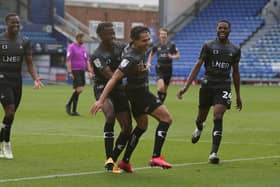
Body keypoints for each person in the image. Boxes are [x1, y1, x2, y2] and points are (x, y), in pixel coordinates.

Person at [90, 26, 173, 173]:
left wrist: (144, 66)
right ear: (135, 41)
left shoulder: (132, 48)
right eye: (144, 40)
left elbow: (137, 49)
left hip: (130, 92)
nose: (148, 42)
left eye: (148, 39)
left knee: (140, 126)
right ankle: (156, 156)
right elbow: (114, 77)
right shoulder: (130, 57)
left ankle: (122, 161)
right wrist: (101, 100)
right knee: (166, 118)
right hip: (139, 94)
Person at [177, 19, 242, 164]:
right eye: (220, 28)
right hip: (207, 85)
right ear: (216, 29)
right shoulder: (208, 46)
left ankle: (213, 153)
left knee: (218, 116)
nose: (222, 31)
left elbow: (236, 73)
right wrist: (186, 87)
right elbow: (198, 65)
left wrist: (238, 95)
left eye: (225, 28)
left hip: (224, 86)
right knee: (200, 118)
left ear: (229, 30)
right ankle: (199, 128)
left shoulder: (235, 50)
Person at [90, 22, 132, 173]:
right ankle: (108, 158)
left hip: (120, 89)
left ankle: (113, 159)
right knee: (110, 115)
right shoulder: (97, 55)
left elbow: (133, 58)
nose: (112, 35)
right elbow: (109, 76)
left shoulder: (122, 47)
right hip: (103, 88)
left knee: (127, 129)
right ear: (100, 35)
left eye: (113, 32)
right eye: (109, 33)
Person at [0, 13, 43, 159]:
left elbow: (29, 62)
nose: (16, 26)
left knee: (10, 116)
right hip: (2, 80)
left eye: (18, 23)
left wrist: (35, 78)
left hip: (17, 81)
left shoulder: (24, 41)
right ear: (7, 23)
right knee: (10, 111)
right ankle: (7, 144)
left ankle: (0, 141)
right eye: (13, 23)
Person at [146, 28, 180, 103]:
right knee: (161, 87)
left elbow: (178, 55)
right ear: (159, 35)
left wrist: (172, 56)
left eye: (164, 34)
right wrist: (149, 63)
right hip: (159, 68)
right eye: (161, 34)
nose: (163, 35)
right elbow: (151, 54)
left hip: (168, 68)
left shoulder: (171, 45)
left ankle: (160, 103)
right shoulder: (156, 45)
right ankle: (158, 101)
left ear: (167, 35)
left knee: (164, 90)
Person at [65, 32, 92, 116]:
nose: (84, 40)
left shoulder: (83, 48)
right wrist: (70, 72)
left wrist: (90, 71)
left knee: (78, 91)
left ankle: (74, 110)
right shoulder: (71, 47)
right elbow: (68, 60)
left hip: (82, 71)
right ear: (78, 38)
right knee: (79, 89)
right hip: (75, 70)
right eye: (83, 38)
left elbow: (87, 60)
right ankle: (68, 104)